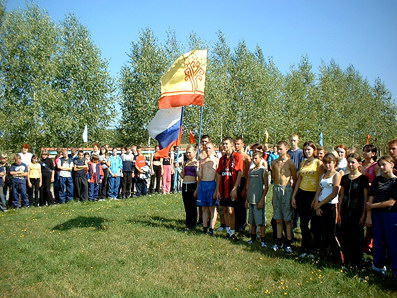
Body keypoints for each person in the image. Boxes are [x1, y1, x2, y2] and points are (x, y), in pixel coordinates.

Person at [366, 156, 397, 278]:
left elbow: (391, 202)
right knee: (378, 241)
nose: (382, 167)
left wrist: (373, 206)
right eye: (380, 165)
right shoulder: (377, 180)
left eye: (384, 164)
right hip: (377, 215)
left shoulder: (396, 182)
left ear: (392, 164)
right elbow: (370, 197)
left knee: (392, 242)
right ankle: (377, 266)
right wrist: (369, 215)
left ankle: (394, 269)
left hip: (391, 215)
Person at [292, 141, 323, 256]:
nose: (307, 151)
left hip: (313, 194)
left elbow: (320, 181)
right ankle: (305, 247)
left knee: (314, 224)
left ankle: (314, 248)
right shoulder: (303, 163)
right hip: (302, 194)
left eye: (309, 149)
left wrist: (316, 198)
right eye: (305, 149)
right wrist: (294, 196)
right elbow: (299, 180)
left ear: (314, 150)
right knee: (303, 223)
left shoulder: (318, 163)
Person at [338, 153, 369, 268]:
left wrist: (363, 215)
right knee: (345, 236)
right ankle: (347, 260)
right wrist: (339, 213)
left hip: (357, 212)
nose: (350, 165)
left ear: (359, 164)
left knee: (357, 237)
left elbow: (365, 198)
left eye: (353, 162)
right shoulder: (345, 178)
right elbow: (341, 197)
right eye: (349, 162)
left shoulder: (363, 179)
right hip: (345, 211)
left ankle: (358, 261)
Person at [311, 153, 342, 262]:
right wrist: (316, 204)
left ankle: (336, 256)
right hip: (320, 205)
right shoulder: (322, 176)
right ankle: (322, 253)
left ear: (334, 163)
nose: (328, 165)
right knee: (320, 230)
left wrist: (321, 204)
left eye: (330, 163)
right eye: (325, 163)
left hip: (330, 206)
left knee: (330, 232)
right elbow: (318, 190)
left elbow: (334, 193)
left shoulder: (337, 175)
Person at [214, 137, 243, 239]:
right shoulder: (222, 159)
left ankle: (233, 231)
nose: (225, 146)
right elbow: (218, 174)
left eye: (227, 144)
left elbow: (240, 173)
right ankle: (228, 231)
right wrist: (217, 190)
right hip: (223, 188)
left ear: (231, 145)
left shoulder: (237, 157)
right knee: (225, 209)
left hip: (232, 188)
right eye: (224, 144)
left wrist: (235, 188)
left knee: (231, 210)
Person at [271, 141, 297, 252]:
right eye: (278, 148)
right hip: (277, 189)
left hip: (287, 189)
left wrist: (293, 195)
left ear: (286, 149)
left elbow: (295, 179)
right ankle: (278, 241)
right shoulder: (274, 162)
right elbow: (273, 177)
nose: (279, 150)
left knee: (287, 219)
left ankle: (289, 242)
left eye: (281, 148)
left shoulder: (290, 162)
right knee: (278, 218)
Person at [246, 151, 269, 247]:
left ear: (261, 159)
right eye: (253, 158)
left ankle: (263, 240)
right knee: (252, 221)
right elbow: (248, 186)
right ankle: (253, 237)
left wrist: (262, 199)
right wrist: (247, 199)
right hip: (251, 199)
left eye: (256, 158)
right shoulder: (251, 171)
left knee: (260, 222)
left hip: (258, 199)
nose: (254, 160)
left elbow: (267, 186)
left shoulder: (264, 171)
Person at [195, 142, 219, 235]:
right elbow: (200, 176)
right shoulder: (202, 161)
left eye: (209, 148)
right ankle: (205, 227)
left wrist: (217, 189)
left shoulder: (216, 161)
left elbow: (218, 176)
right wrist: (197, 170)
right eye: (206, 148)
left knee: (212, 208)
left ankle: (212, 228)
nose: (208, 150)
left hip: (212, 184)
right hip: (203, 184)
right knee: (204, 208)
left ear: (213, 149)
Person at [179, 145, 199, 230]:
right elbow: (183, 176)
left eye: (189, 152)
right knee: (186, 205)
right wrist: (177, 168)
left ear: (194, 152)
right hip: (185, 185)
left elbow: (198, 178)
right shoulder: (185, 162)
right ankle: (188, 224)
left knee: (192, 206)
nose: (188, 154)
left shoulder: (197, 163)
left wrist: (196, 189)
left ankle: (193, 224)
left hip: (193, 185)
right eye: (187, 152)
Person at [234, 137, 251, 234]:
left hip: (243, 180)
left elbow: (248, 174)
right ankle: (236, 224)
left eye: (238, 144)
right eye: (235, 144)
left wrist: (246, 187)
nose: (237, 146)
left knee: (242, 204)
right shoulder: (234, 156)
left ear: (242, 144)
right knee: (236, 204)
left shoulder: (246, 157)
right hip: (235, 179)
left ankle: (242, 224)